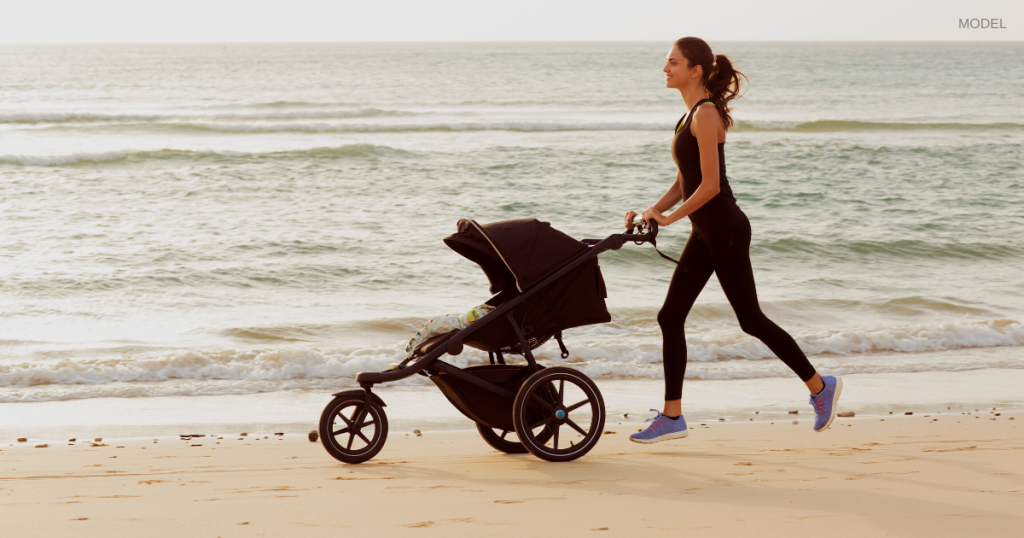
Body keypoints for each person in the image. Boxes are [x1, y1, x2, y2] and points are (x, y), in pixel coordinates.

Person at [626, 37, 842, 444]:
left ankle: (820, 386)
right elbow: (683, 180)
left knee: (751, 319)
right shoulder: (689, 115)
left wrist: (670, 218)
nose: (665, 69)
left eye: (672, 62)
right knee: (670, 317)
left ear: (695, 71)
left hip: (724, 229)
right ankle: (673, 417)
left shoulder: (705, 115)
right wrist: (649, 211)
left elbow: (709, 186)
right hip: (706, 232)